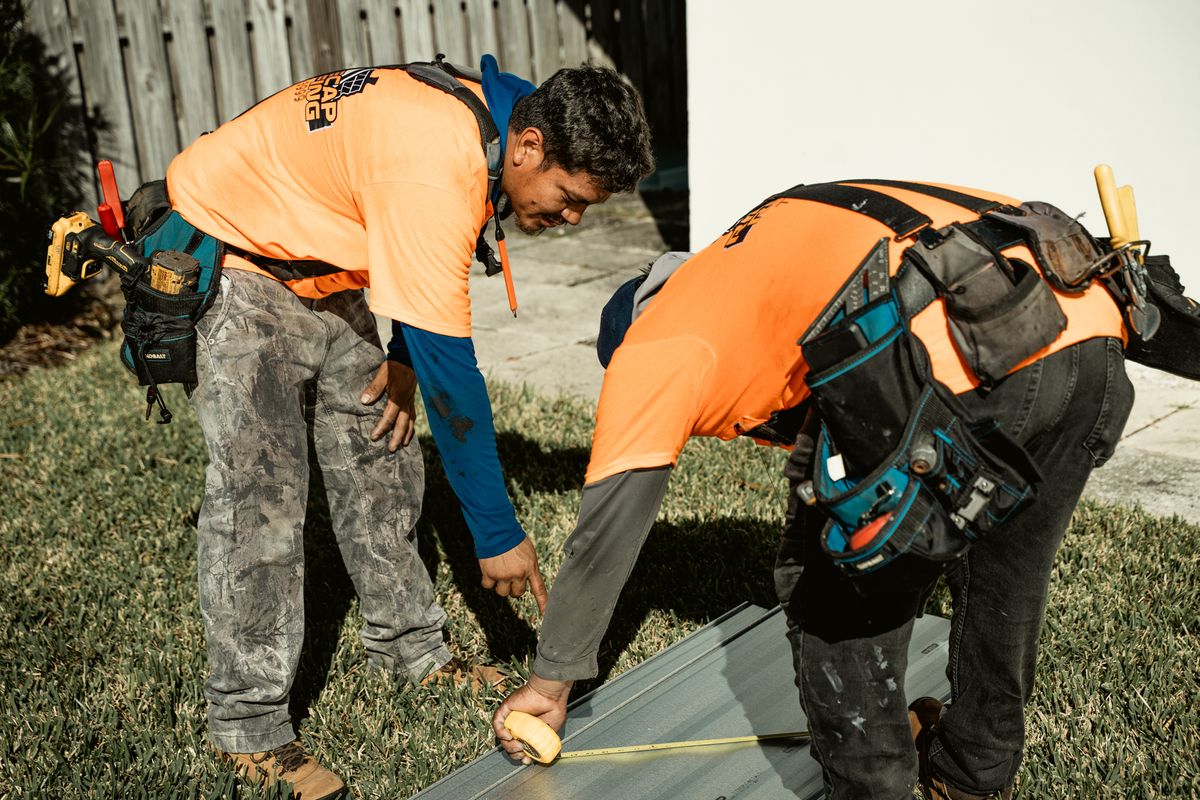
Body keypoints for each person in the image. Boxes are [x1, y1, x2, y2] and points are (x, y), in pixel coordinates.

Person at [492, 179, 1146, 799]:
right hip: (1089, 325)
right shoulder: (750, 254)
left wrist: (552, 683)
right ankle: (971, 774)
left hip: (960, 349)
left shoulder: (654, 343)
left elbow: (604, 534)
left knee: (835, 596)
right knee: (1006, 563)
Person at [153, 54, 653, 797]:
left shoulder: (496, 119)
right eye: (570, 196)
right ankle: (250, 727)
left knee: (381, 454)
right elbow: (458, 385)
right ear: (529, 148)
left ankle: (411, 651)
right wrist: (496, 534)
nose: (572, 217)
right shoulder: (438, 156)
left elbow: (411, 264)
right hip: (239, 263)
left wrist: (400, 356)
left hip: (322, 266)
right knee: (261, 500)